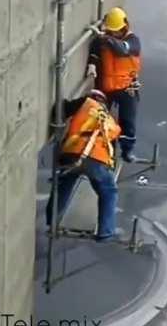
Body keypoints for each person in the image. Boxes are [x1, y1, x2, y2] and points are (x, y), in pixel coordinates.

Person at [46, 89, 121, 242]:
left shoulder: (85, 104)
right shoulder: (110, 122)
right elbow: (112, 151)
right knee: (108, 191)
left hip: (71, 154)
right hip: (97, 161)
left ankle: (51, 219)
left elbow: (61, 109)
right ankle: (105, 232)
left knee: (64, 184)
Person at [87, 7, 142, 163]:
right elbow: (95, 51)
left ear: (125, 27)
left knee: (128, 122)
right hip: (106, 87)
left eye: (116, 31)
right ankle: (107, 151)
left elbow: (122, 50)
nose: (115, 33)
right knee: (104, 121)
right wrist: (92, 64)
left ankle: (127, 150)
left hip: (127, 88)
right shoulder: (105, 40)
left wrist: (106, 38)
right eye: (112, 32)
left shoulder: (133, 42)